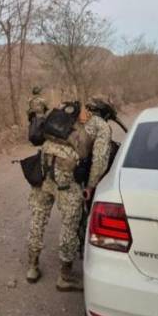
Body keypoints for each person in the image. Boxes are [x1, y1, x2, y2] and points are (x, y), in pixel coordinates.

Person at [25, 99, 112, 291]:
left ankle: (32, 267)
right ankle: (64, 276)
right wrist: (91, 186)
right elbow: (100, 160)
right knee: (70, 222)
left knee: (38, 215)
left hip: (44, 165)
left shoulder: (66, 112)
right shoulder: (101, 126)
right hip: (66, 173)